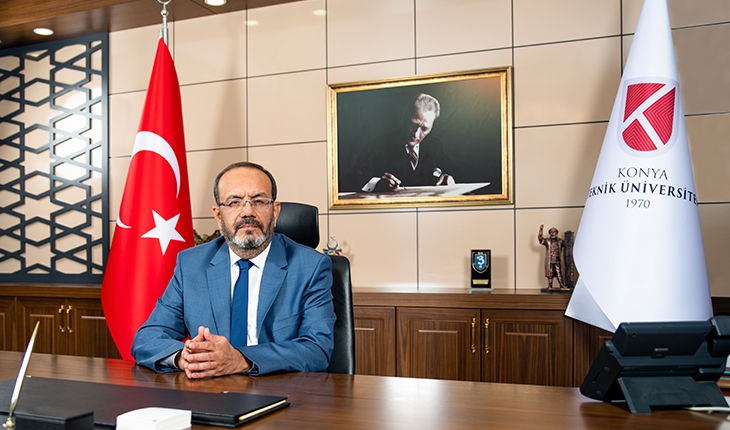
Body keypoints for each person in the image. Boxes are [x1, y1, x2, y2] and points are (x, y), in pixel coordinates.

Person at [132, 161, 336, 378]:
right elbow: (147, 338)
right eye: (234, 202)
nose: (247, 212)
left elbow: (317, 349)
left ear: (275, 212)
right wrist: (185, 358)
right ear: (218, 215)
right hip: (210, 389)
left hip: (280, 389)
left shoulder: (310, 267)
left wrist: (240, 360)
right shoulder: (191, 265)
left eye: (259, 201)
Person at [346, 93, 460, 193]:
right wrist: (377, 183)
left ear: (432, 126)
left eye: (424, 129)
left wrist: (449, 178)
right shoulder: (379, 145)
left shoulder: (435, 145)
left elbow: (457, 173)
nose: (416, 134)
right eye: (413, 125)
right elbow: (352, 179)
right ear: (404, 117)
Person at [538, 225, 566, 290]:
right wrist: (541, 230)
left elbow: (567, 245)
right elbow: (540, 239)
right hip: (550, 260)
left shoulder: (560, 241)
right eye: (551, 232)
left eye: (554, 232)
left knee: (559, 273)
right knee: (550, 273)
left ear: (556, 233)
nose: (553, 233)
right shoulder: (547, 241)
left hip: (557, 259)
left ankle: (561, 285)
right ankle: (550, 285)